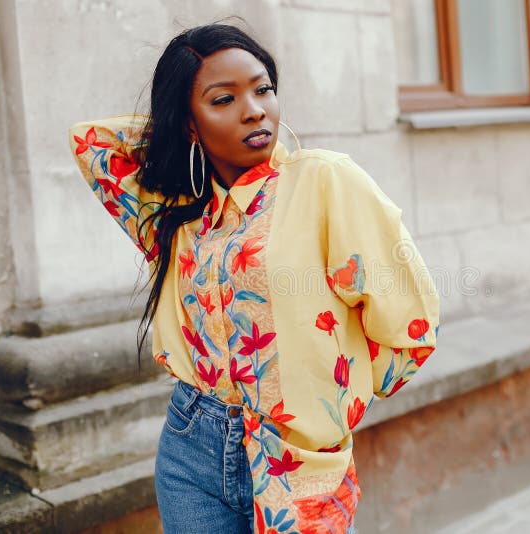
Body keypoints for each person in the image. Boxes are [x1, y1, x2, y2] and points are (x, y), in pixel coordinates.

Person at [68, 23, 439, 534]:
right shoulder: (177, 213)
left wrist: (330, 401)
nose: (255, 110)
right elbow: (94, 144)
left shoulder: (324, 181)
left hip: (298, 459)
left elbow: (410, 320)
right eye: (224, 99)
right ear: (189, 124)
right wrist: (178, 131)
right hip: (190, 445)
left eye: (263, 89)